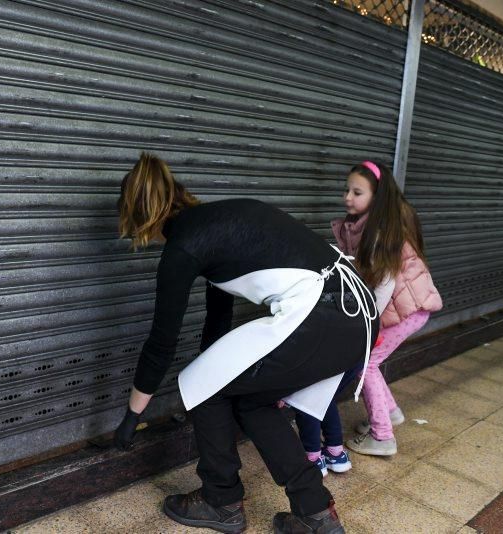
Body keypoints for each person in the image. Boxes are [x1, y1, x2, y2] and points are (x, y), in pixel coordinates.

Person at [112, 152, 379, 534]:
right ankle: (315, 514)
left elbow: (161, 342)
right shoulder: (217, 223)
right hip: (358, 314)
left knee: (202, 385)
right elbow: (217, 324)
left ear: (139, 216)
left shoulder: (184, 244)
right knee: (250, 400)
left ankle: (221, 501)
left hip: (322, 312)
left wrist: (132, 415)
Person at [329, 161, 442, 457]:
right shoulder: (367, 224)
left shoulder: (380, 232)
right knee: (369, 362)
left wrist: (369, 323)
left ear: (376, 198)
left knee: (366, 363)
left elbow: (385, 284)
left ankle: (382, 437)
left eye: (357, 192)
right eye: (347, 190)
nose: (348, 198)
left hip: (407, 308)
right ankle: (389, 413)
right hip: (404, 305)